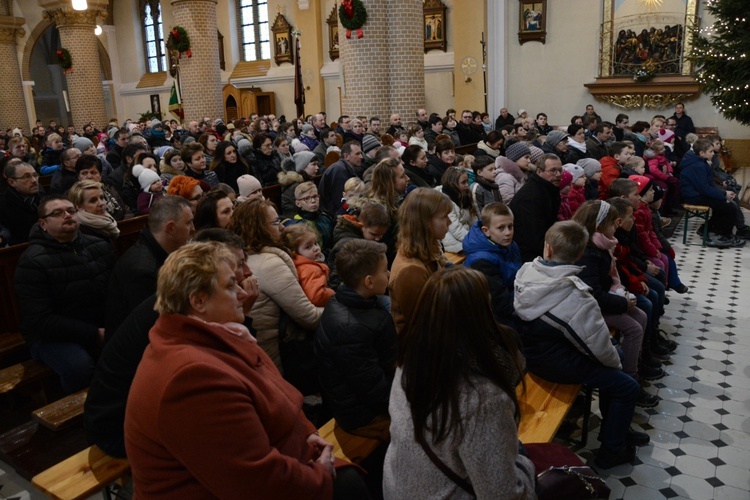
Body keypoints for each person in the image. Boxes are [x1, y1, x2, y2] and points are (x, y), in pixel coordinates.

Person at [124, 241, 361, 498]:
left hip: (281, 457)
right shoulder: (189, 377)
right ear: (198, 300)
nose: (242, 293)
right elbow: (254, 481)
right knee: (349, 485)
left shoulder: (221, 334)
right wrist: (320, 476)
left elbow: (278, 393)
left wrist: (305, 432)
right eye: (230, 286)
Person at [86, 229, 259, 458]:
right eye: (236, 266)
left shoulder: (189, 306)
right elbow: (227, 373)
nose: (246, 273)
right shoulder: (172, 322)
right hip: (116, 425)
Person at [384, 266, 534, 498]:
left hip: (399, 485)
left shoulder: (410, 358)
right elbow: (504, 494)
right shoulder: (483, 398)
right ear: (481, 314)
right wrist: (526, 466)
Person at [513, 221, 646, 468]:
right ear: (579, 255)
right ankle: (612, 449)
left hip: (534, 352)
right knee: (626, 385)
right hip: (556, 362)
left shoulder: (527, 272)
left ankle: (615, 430)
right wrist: (615, 363)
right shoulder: (576, 296)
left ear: (548, 249)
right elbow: (596, 344)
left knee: (612, 362)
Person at [14, 195, 115, 393]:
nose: (67, 216)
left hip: (97, 324)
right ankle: (82, 417)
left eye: (70, 211)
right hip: (52, 336)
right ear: (43, 224)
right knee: (79, 368)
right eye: (57, 213)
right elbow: (41, 320)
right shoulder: (32, 263)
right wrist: (94, 334)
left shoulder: (99, 245)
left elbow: (116, 290)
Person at [572, 201, 658, 406]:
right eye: (613, 223)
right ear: (599, 225)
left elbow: (610, 279)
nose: (616, 227)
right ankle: (630, 377)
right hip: (589, 308)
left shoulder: (602, 245)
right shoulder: (588, 252)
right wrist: (622, 303)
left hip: (602, 299)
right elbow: (593, 295)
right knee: (634, 328)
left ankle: (635, 363)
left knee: (642, 314)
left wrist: (622, 294)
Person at [315, 238, 396, 440]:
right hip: (362, 415)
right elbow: (374, 391)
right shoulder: (350, 329)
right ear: (368, 282)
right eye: (385, 270)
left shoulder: (352, 300)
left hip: (371, 398)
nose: (388, 274)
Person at [229, 199, 323, 372]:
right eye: (275, 223)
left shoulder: (247, 256)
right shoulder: (269, 263)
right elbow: (309, 317)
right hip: (275, 357)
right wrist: (339, 306)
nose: (281, 228)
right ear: (258, 228)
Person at [105, 196, 194, 335]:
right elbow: (152, 328)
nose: (193, 229)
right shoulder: (143, 272)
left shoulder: (156, 252)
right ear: (171, 228)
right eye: (189, 223)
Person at [389, 188, 452, 334]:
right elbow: (425, 323)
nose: (449, 221)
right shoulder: (410, 270)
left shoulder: (430, 245)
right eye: (444, 217)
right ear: (425, 223)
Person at [462, 202, 521, 324]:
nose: (508, 232)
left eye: (510, 226)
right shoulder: (481, 262)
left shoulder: (509, 245)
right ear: (486, 231)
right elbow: (501, 305)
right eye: (501, 228)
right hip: (494, 318)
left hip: (516, 299)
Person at [509, 154, 563, 262]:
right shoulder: (530, 198)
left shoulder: (549, 189)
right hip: (529, 256)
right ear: (539, 171)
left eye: (560, 170)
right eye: (552, 170)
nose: (558, 174)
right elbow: (533, 238)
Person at [281, 223, 335, 307]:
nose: (316, 248)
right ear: (295, 253)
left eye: (316, 243)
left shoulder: (309, 264)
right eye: (308, 247)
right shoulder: (310, 269)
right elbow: (317, 297)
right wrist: (333, 293)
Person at [0, 161, 43, 245]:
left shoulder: (42, 196)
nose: (34, 180)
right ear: (12, 182)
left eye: (35, 175)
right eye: (26, 177)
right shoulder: (3, 205)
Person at [68, 180, 120, 248]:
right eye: (93, 201)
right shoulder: (80, 232)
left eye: (102, 198)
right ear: (79, 206)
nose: (101, 203)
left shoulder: (107, 219)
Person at [318, 141, 364, 214]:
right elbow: (340, 202)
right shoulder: (339, 171)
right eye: (357, 154)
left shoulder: (344, 168)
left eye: (361, 153)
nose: (361, 157)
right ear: (346, 156)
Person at [439, 166, 477, 253]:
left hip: (465, 234)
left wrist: (479, 233)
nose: (467, 185)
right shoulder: (444, 202)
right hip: (451, 240)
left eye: (467, 181)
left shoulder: (465, 194)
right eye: (463, 182)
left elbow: (472, 218)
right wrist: (473, 240)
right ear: (453, 184)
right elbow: (455, 228)